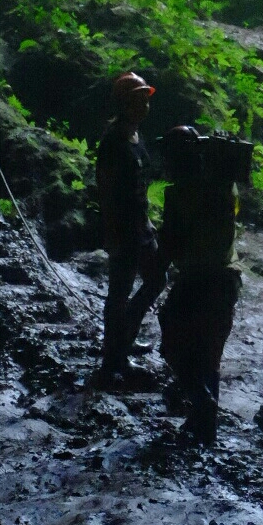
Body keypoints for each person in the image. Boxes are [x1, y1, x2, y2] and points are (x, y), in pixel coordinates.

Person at [157, 126, 247, 445]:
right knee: (210, 355)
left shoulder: (178, 193)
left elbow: (171, 245)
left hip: (196, 281)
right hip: (226, 281)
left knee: (173, 343)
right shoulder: (225, 188)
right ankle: (206, 428)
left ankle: (201, 403)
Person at [94, 71, 167, 387]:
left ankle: (125, 336)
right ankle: (114, 359)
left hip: (141, 226)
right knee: (119, 293)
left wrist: (149, 222)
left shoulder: (137, 138)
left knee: (156, 279)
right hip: (123, 230)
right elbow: (108, 192)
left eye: (145, 100)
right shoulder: (113, 143)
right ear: (123, 104)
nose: (143, 106)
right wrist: (113, 235)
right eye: (137, 101)